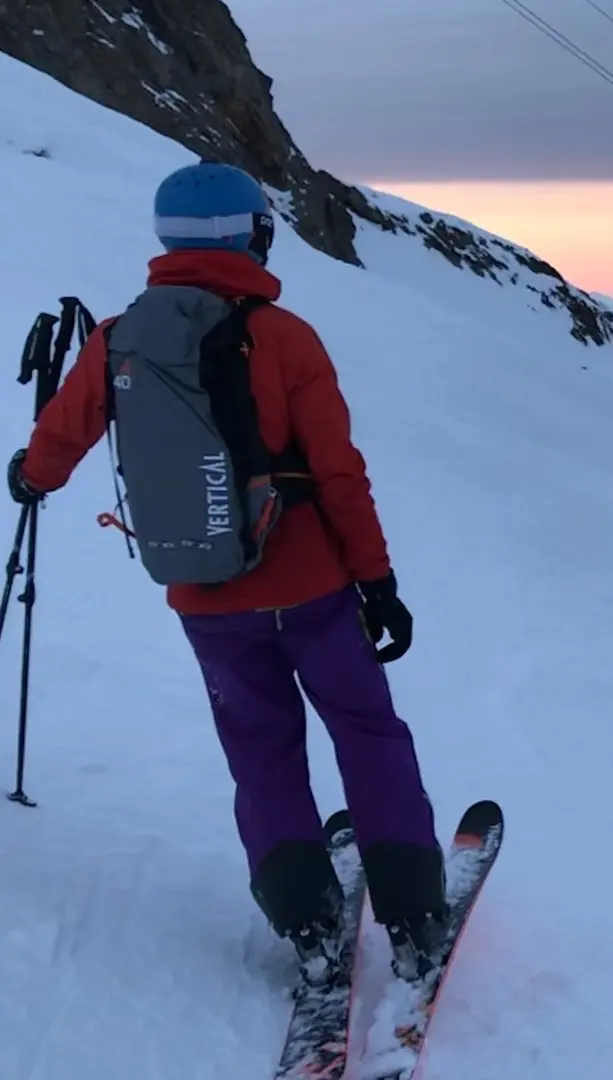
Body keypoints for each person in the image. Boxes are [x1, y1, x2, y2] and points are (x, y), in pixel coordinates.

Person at [3, 161, 447, 975]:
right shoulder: (285, 337)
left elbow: (61, 439)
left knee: (260, 747)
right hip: (312, 587)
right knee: (366, 730)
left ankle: (306, 922)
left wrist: (29, 478)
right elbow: (338, 474)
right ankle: (413, 907)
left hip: (205, 596)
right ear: (250, 235)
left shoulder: (118, 337)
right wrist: (378, 583)